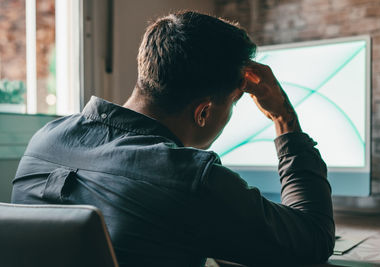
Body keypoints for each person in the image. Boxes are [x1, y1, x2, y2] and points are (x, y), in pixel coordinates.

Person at [11, 11, 335, 267]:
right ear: (203, 111)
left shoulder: (46, 140)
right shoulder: (189, 178)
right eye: (234, 102)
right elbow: (313, 238)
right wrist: (283, 118)